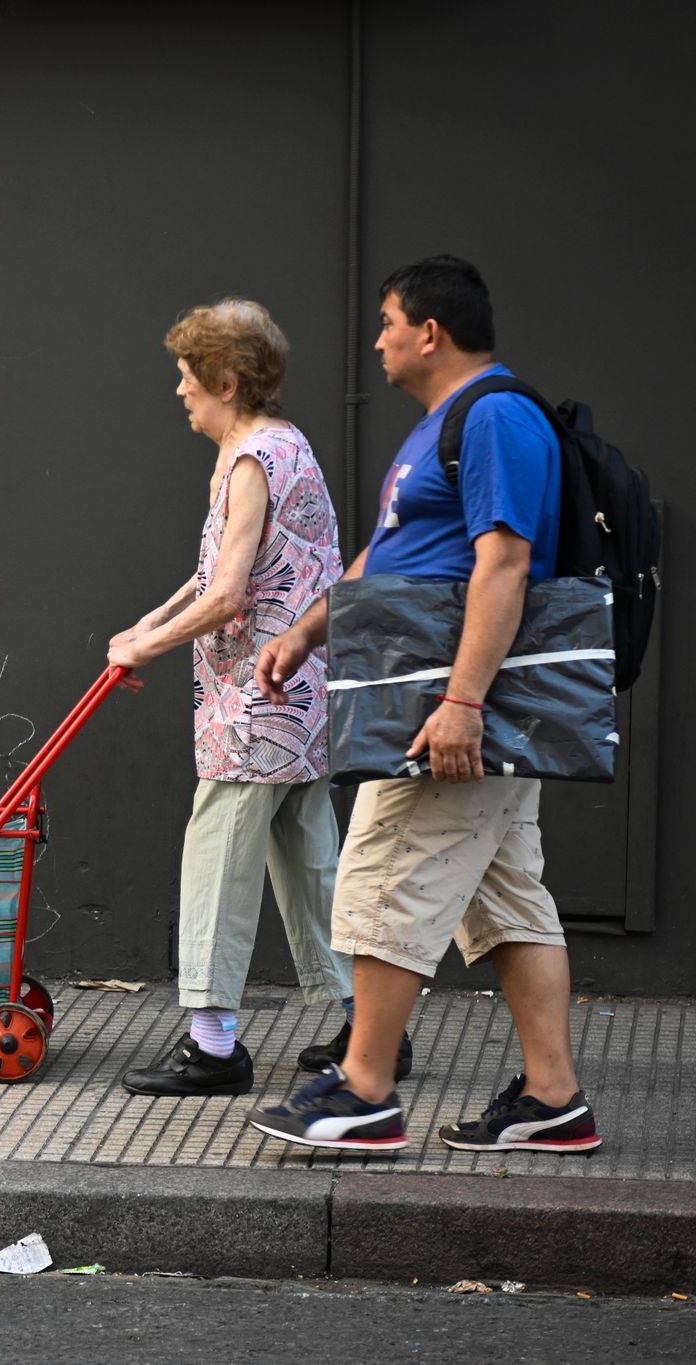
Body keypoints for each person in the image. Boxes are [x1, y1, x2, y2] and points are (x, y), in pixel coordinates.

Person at [248, 256, 600, 1153]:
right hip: (444, 700)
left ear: (429, 332)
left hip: (452, 710)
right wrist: (310, 630)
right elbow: (392, 551)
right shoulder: (443, 428)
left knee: (383, 874)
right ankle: (553, 1098)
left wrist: (462, 702)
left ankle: (364, 1089)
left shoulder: (497, 417)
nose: (378, 341)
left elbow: (505, 562)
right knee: (509, 900)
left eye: (388, 322)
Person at [106, 299, 362, 1097]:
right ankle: (368, 1023)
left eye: (188, 377)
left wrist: (147, 645)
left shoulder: (252, 460)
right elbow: (212, 576)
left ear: (225, 380)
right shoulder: (275, 447)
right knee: (309, 857)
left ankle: (214, 1046)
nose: (180, 391)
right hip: (298, 695)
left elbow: (227, 596)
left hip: (258, 702)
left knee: (218, 855)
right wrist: (147, 623)